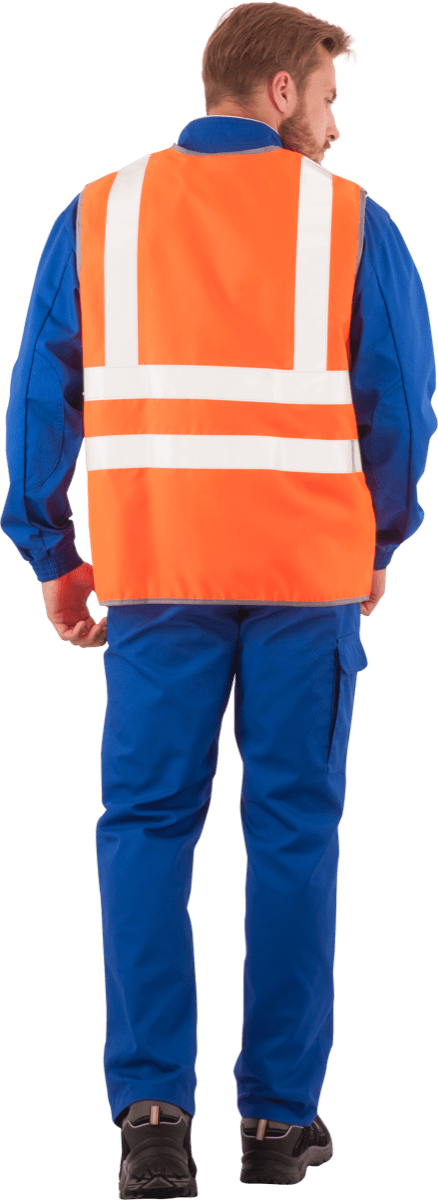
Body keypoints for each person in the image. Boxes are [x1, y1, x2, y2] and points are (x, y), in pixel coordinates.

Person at [1, 3, 436, 1195]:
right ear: (282, 90)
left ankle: (151, 1121)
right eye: (330, 99)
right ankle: (276, 1126)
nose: (336, 126)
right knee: (294, 831)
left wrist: (53, 554)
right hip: (307, 578)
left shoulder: (99, 211)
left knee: (145, 827)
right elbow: (403, 402)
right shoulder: (351, 218)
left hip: (156, 576)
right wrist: (383, 535)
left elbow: (39, 397)